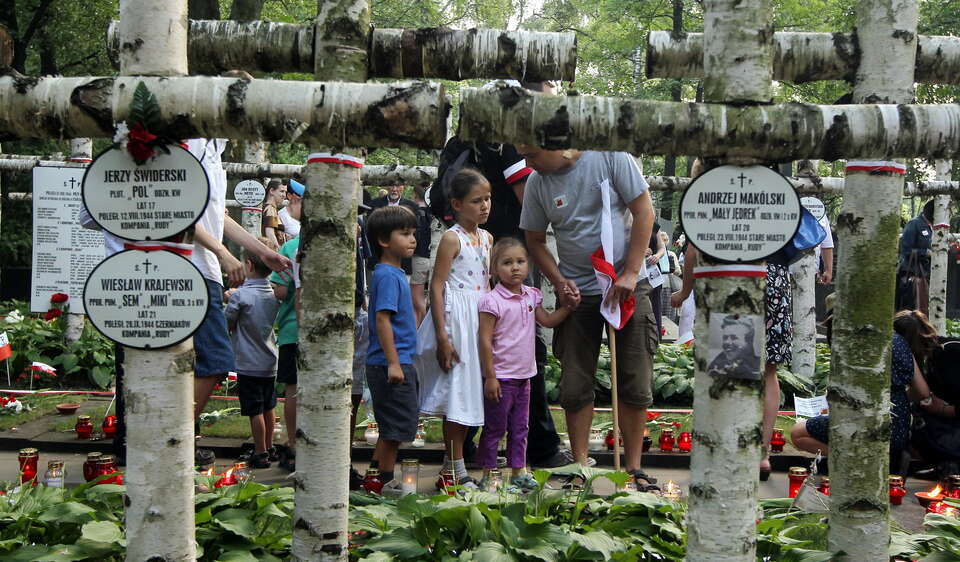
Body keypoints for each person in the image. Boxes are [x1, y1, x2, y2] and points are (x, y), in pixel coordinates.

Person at [519, 147, 659, 490]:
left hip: (627, 284)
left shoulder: (613, 158)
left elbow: (644, 212)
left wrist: (629, 272)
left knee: (634, 378)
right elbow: (534, 240)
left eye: (533, 154)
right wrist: (558, 280)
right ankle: (580, 466)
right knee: (574, 382)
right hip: (577, 292)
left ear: (557, 145)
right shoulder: (538, 182)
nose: (527, 162)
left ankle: (634, 469)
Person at [187, 138, 292, 438]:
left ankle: (179, 437)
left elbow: (217, 215)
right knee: (216, 358)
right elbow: (179, 211)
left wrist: (264, 253)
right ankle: (175, 435)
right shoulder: (189, 143)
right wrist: (224, 254)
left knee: (204, 362)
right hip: (189, 266)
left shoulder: (214, 151)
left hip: (204, 268)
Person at [790, 309, 951, 476]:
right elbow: (923, 392)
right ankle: (877, 459)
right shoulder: (903, 347)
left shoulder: (873, 343)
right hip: (897, 431)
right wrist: (899, 399)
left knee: (798, 433)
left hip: (863, 424)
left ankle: (858, 460)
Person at [478, 238, 575, 492]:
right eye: (507, 263)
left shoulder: (531, 296)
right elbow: (485, 341)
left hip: (525, 376)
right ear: (494, 269)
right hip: (501, 376)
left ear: (529, 265)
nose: (515, 268)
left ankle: (519, 471)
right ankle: (489, 475)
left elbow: (548, 320)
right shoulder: (491, 301)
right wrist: (490, 376)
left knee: (521, 427)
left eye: (520, 262)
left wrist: (567, 308)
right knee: (495, 427)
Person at [417, 168, 492, 488]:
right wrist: (443, 335)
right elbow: (436, 286)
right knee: (455, 395)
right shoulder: (452, 238)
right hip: (456, 319)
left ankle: (452, 467)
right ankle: (455, 469)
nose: (485, 206)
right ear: (457, 204)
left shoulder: (488, 238)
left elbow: (487, 282)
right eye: (477, 201)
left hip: (478, 319)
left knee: (470, 394)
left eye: (488, 199)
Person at [364, 205, 420, 490]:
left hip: (397, 359)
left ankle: (375, 477)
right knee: (394, 428)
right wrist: (394, 362)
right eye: (405, 234)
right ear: (384, 240)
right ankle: (384, 482)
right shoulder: (386, 275)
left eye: (413, 233)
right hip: (390, 363)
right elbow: (382, 320)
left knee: (394, 427)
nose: (412, 239)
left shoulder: (395, 273)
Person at [225, 240, 281, 468]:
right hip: (270, 360)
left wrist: (229, 299)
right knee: (269, 407)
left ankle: (259, 452)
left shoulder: (240, 296)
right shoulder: (273, 294)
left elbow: (228, 322)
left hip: (248, 363)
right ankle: (269, 447)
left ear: (248, 265)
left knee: (254, 410)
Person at [896, 200, 934, 312]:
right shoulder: (914, 224)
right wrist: (925, 252)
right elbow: (905, 250)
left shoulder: (932, 227)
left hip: (925, 275)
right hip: (911, 275)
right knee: (911, 309)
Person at [410, 184, 434, 325]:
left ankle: (419, 330)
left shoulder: (415, 214)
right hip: (434, 257)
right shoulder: (435, 214)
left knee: (417, 300)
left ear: (414, 194)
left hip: (419, 258)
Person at [262, 179, 287, 250]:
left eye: (285, 192)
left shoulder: (271, 208)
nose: (284, 195)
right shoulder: (270, 208)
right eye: (282, 191)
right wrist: (279, 252)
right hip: (272, 252)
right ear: (272, 191)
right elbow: (270, 233)